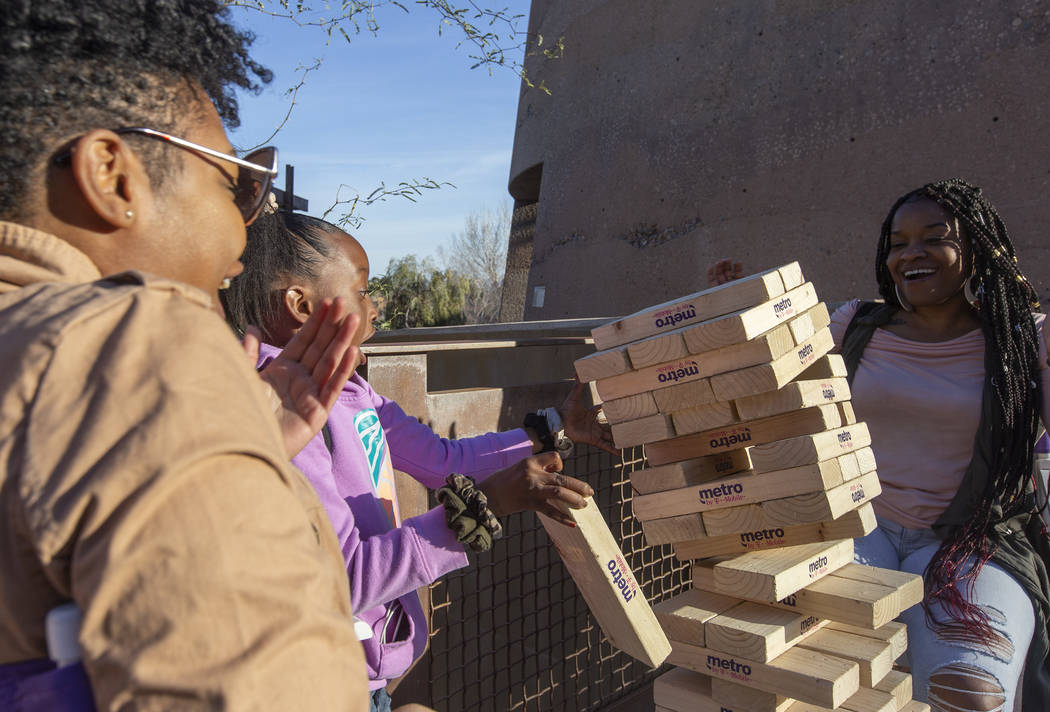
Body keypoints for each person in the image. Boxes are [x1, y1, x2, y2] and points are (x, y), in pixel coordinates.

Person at [0, 1, 379, 709]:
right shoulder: (133, 341)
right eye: (232, 181)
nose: (248, 223)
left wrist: (239, 442)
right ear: (113, 177)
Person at [221, 209, 617, 710]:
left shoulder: (352, 393)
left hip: (364, 681)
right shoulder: (272, 416)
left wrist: (553, 427)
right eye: (362, 291)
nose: (375, 307)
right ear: (302, 304)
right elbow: (342, 579)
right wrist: (480, 509)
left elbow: (442, 459)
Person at [709, 178, 1050, 710]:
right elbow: (760, 368)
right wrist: (727, 310)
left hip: (968, 543)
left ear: (978, 249)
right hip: (858, 528)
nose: (910, 254)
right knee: (785, 665)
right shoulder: (855, 325)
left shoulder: (1021, 338)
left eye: (934, 238)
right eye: (898, 243)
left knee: (971, 694)